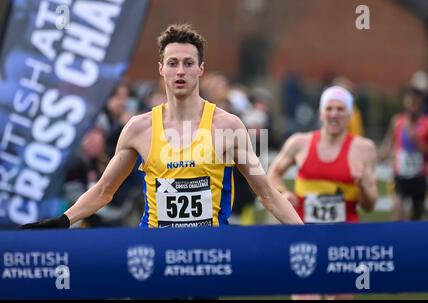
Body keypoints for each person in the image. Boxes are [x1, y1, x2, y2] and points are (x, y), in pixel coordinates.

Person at [21, 24, 302, 229]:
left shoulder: (229, 126)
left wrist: (311, 237)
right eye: (173, 63)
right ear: (161, 69)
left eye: (188, 63)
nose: (180, 71)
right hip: (155, 253)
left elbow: (266, 193)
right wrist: (63, 220)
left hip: (211, 256)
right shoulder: (138, 128)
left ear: (201, 69)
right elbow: (104, 190)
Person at [267, 85, 377, 299]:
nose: (334, 114)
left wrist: (362, 183)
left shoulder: (364, 149)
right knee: (305, 296)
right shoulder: (299, 143)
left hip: (344, 239)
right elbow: (272, 175)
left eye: (340, 109)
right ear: (320, 113)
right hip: (304, 235)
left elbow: (370, 205)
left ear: (350, 114)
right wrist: (284, 193)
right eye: (329, 108)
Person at [379, 86, 428, 221]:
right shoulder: (397, 121)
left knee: (417, 213)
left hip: (419, 176)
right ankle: (396, 239)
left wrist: (417, 142)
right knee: (397, 208)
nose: (412, 104)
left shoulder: (426, 124)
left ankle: (413, 239)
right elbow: (389, 140)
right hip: (399, 174)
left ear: (420, 103)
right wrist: (384, 151)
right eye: (409, 101)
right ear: (405, 102)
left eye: (415, 101)